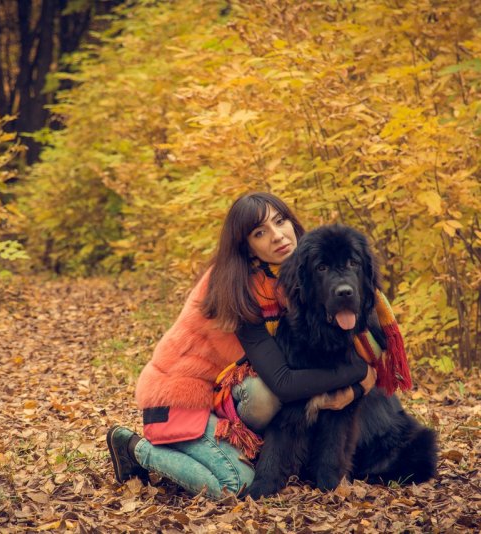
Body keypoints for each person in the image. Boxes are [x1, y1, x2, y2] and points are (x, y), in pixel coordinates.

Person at [106, 192, 376, 499]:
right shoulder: (238, 288)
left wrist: (357, 386)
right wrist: (358, 372)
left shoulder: (297, 270)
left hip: (224, 398)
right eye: (260, 233)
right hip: (181, 400)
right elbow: (284, 382)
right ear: (246, 246)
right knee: (236, 484)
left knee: (262, 405)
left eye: (280, 221)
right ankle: (135, 448)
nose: (277, 236)